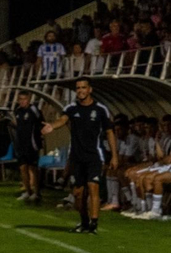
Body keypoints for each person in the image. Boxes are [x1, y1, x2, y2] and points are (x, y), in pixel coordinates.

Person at [41, 77, 117, 234]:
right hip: (77, 157)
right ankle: (84, 222)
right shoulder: (71, 108)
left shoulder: (101, 109)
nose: (81, 91)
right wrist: (52, 126)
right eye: (78, 88)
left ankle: (93, 225)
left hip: (95, 156)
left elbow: (109, 132)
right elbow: (62, 120)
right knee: (78, 194)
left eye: (83, 87)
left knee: (93, 187)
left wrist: (115, 155)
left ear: (90, 89)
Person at [12, 90, 44, 203]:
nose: (22, 101)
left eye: (24, 99)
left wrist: (39, 137)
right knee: (22, 168)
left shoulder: (34, 110)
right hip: (21, 144)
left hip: (32, 144)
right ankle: (28, 191)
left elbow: (41, 123)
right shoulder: (17, 111)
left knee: (33, 168)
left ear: (29, 99)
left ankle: (37, 192)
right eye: (20, 99)